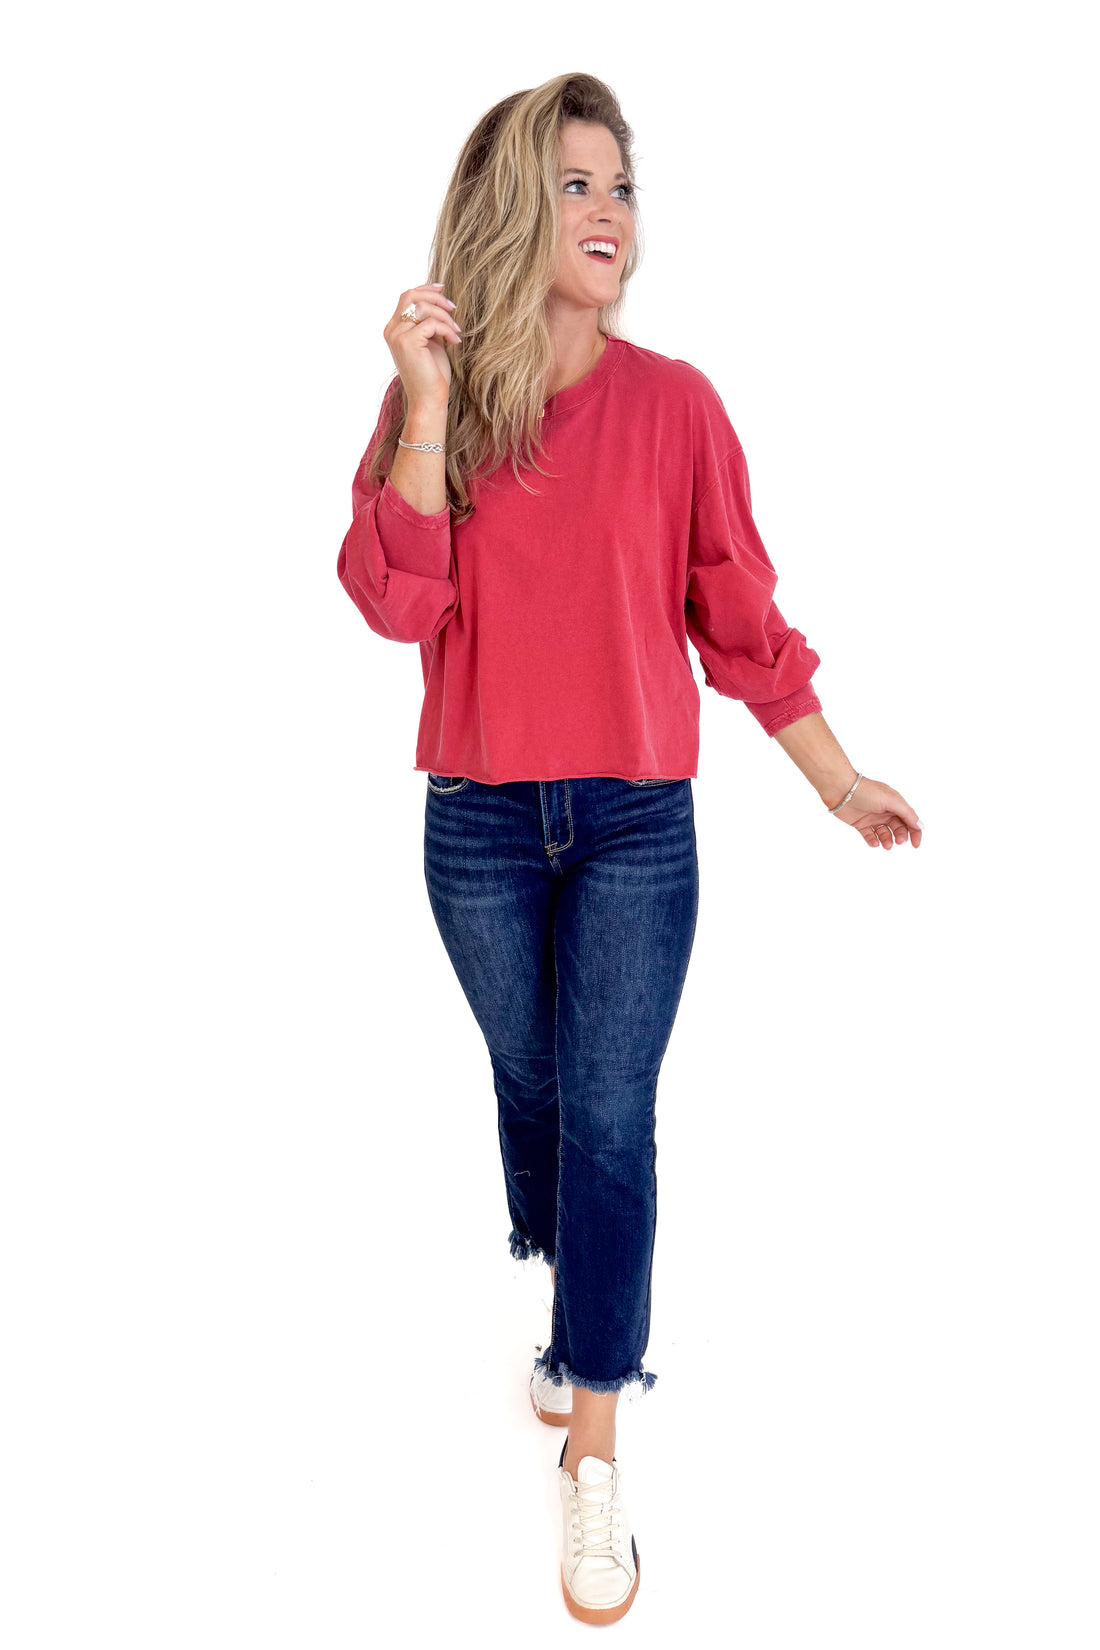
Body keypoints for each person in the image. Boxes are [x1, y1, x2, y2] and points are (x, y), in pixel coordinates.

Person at [336, 71, 923, 1626]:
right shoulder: (441, 401)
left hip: (635, 827)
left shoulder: (679, 406)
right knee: (534, 1088)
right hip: (473, 822)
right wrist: (431, 402)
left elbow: (740, 623)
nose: (612, 214)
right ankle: (572, 1294)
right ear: (522, 206)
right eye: (581, 186)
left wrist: (835, 777)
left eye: (625, 187)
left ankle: (596, 1429)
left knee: (609, 1110)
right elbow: (395, 603)